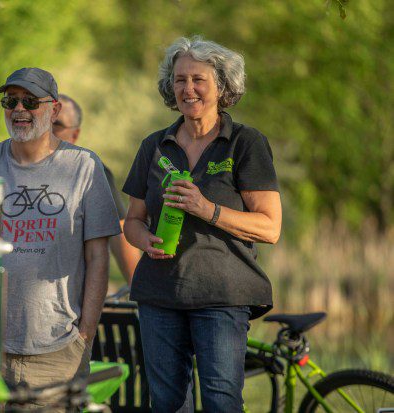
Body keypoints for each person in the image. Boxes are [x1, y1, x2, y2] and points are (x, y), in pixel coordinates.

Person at [122, 37, 282, 412]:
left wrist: (206, 208)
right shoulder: (154, 145)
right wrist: (145, 240)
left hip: (222, 296)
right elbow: (132, 220)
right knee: (166, 403)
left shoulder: (244, 143)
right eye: (179, 80)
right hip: (159, 294)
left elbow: (270, 227)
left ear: (223, 87)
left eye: (198, 79)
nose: (187, 89)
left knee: (221, 401)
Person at [0, 68, 120, 407]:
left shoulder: (84, 166)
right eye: (10, 101)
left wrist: (84, 335)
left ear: (55, 109)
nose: (19, 109)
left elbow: (98, 257)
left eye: (30, 102)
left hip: (58, 350)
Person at [53, 94, 141, 285]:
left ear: (75, 134)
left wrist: (140, 294)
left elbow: (120, 233)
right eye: (45, 122)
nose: (48, 130)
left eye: (57, 125)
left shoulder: (91, 170)